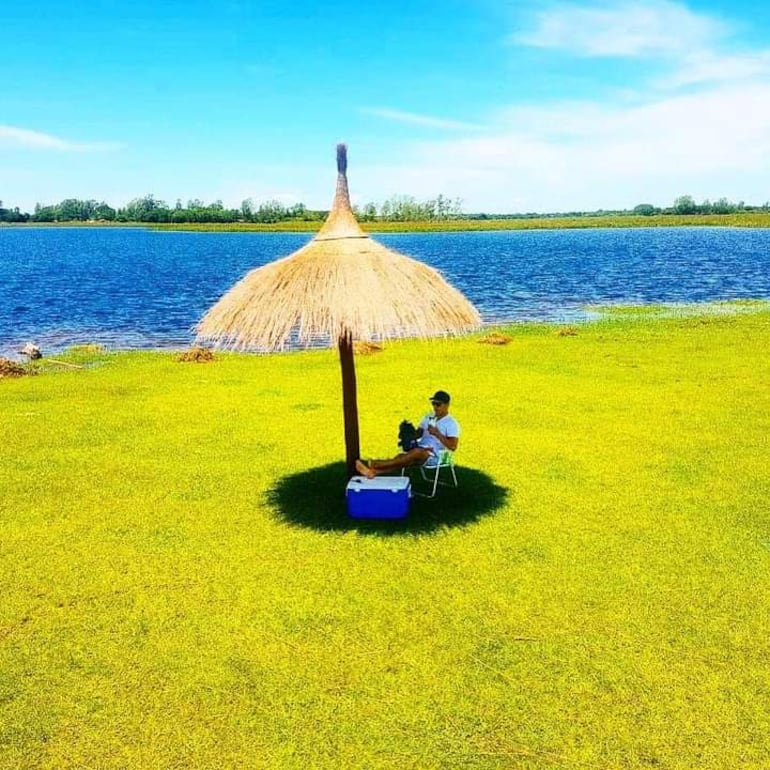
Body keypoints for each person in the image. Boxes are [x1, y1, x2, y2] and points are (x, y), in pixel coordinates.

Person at [355, 390, 460, 479]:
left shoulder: (451, 423)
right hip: (420, 448)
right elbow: (418, 434)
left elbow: (453, 446)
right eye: (433, 403)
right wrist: (409, 434)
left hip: (436, 455)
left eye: (438, 404)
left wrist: (437, 434)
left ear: (447, 405)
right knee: (402, 458)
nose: (435, 407)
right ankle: (373, 472)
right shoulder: (428, 417)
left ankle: (373, 464)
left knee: (412, 454)